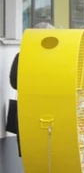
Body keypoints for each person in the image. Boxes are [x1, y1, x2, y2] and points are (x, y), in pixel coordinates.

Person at [8, 22, 55, 157]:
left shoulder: (22, 55)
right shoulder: (59, 58)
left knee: (29, 142)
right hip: (53, 107)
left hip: (27, 107)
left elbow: (14, 82)